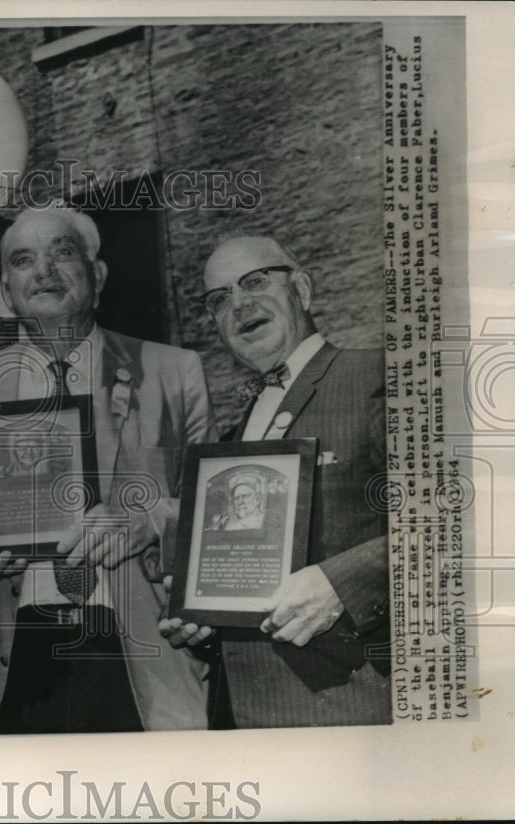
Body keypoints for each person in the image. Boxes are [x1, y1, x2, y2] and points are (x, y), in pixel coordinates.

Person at [0, 206, 217, 734]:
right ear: (6, 289)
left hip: (140, 648)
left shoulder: (174, 373)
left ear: (98, 275)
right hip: (15, 653)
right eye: (23, 260)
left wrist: (150, 520)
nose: (42, 271)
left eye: (62, 253)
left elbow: (215, 514)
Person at [160, 235, 390, 728]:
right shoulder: (232, 439)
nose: (239, 304)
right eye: (219, 299)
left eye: (256, 281)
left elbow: (457, 526)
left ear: (302, 290)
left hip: (341, 713)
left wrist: (340, 583)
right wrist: (203, 615)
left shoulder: (376, 374)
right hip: (237, 722)